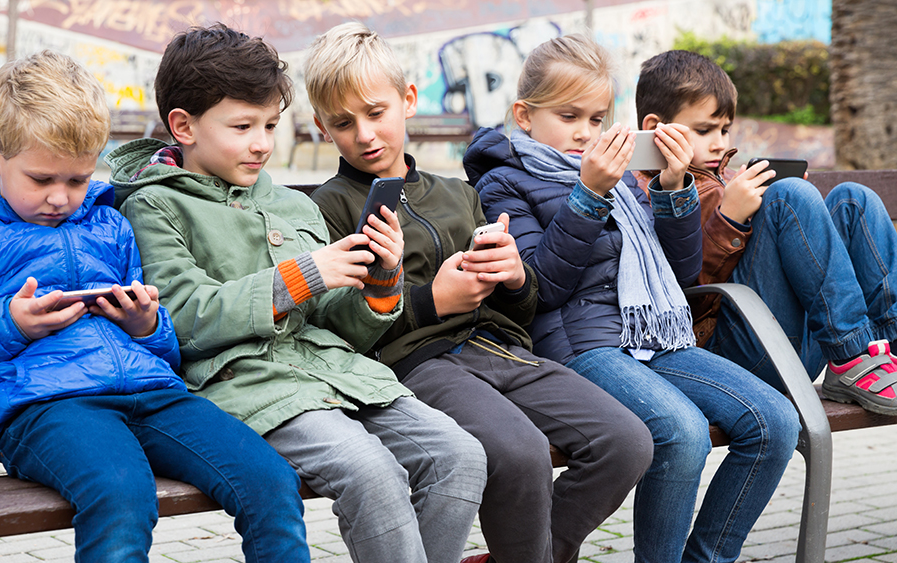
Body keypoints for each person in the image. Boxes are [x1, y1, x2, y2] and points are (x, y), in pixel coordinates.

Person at [0, 51, 309, 563]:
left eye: (77, 180)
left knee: (269, 479)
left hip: (153, 395)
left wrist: (146, 325)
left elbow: (165, 349)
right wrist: (9, 325)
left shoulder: (110, 224)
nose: (60, 198)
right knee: (121, 493)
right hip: (46, 409)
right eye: (42, 179)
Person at [105, 24, 488, 563]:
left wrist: (381, 279)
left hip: (341, 377)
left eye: (269, 125)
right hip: (248, 386)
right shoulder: (153, 206)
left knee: (460, 456)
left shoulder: (291, 203)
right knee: (373, 472)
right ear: (183, 126)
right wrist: (304, 274)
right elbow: (184, 319)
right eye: (243, 127)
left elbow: (336, 324)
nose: (262, 143)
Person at [306, 22, 653, 563]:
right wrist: (433, 301)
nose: (365, 135)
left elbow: (524, 305)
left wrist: (514, 276)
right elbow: (334, 326)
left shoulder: (457, 194)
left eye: (376, 113)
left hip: (499, 349)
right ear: (322, 128)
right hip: (414, 365)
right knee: (520, 452)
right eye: (344, 123)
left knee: (626, 442)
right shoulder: (326, 208)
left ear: (408, 101)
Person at [463, 35, 800, 563]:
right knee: (683, 434)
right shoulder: (503, 184)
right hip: (577, 348)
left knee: (776, 422)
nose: (585, 132)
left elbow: (681, 275)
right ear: (524, 115)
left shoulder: (622, 183)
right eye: (569, 116)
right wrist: (588, 195)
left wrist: (672, 187)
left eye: (597, 119)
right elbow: (541, 288)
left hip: (653, 339)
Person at [633, 49, 897, 414]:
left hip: (791, 342)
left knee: (853, 200)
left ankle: (882, 351)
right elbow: (678, 299)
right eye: (704, 130)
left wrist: (797, 213)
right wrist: (730, 218)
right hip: (733, 359)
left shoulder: (727, 178)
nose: (720, 143)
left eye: (725, 129)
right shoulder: (645, 193)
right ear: (655, 128)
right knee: (789, 196)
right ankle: (852, 354)